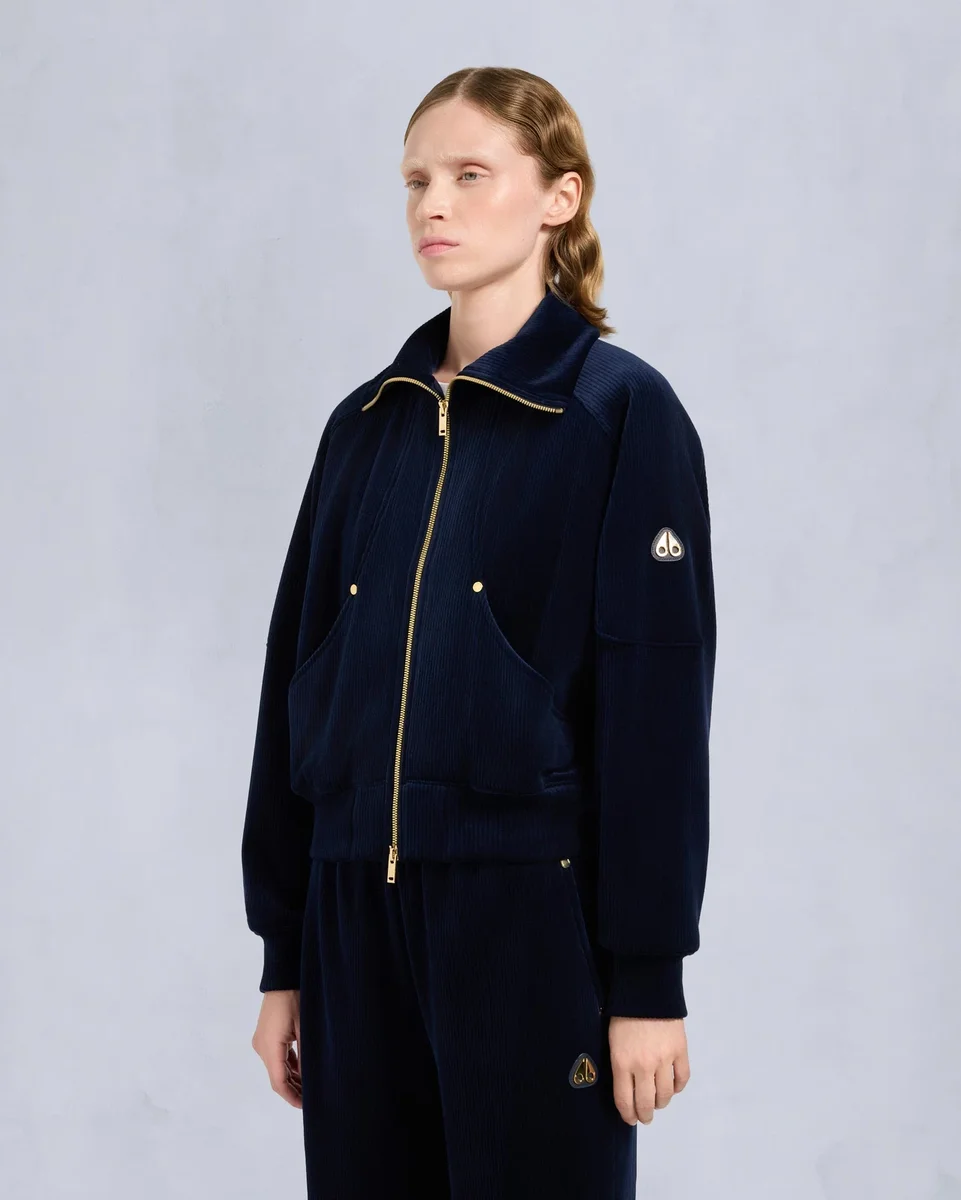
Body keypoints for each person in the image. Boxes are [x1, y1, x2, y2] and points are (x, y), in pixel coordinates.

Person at [241, 65, 716, 1200]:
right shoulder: (365, 425)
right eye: (416, 181)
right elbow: (292, 687)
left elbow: (654, 714)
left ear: (559, 196)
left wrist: (646, 979)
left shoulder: (618, 414)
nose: (433, 206)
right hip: (349, 918)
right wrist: (284, 958)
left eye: (468, 175)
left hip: (526, 914)